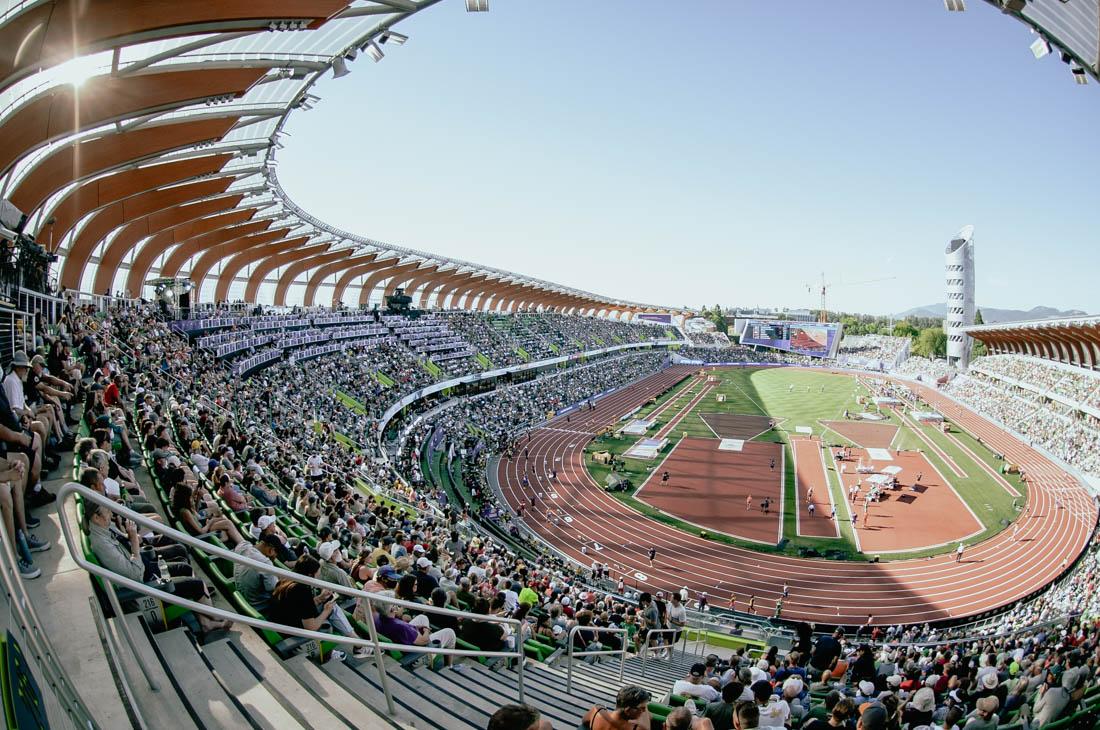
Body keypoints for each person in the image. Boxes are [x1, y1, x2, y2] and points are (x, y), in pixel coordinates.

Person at [581, 685, 652, 730]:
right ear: (627, 710)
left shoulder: (597, 711)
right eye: (642, 708)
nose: (644, 711)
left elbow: (584, 721)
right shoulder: (635, 728)